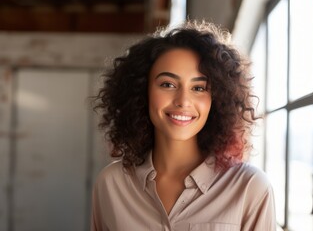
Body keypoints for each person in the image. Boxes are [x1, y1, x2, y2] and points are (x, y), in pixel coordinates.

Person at [91, 20, 276, 231]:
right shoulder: (110, 184)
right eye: (167, 84)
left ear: (217, 98)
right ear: (142, 91)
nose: (183, 101)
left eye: (199, 88)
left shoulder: (250, 187)